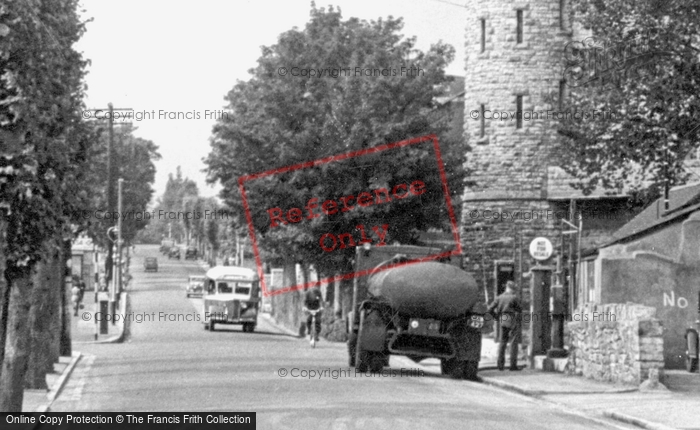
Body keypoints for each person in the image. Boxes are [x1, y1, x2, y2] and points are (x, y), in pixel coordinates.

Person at [488, 280, 522, 371]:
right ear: (510, 288)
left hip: (502, 319)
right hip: (511, 318)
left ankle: (500, 365)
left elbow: (490, 309)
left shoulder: (499, 297)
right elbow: (519, 309)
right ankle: (513, 365)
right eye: (513, 289)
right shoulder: (514, 298)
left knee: (502, 342)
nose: (514, 291)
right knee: (513, 342)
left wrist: (497, 317)